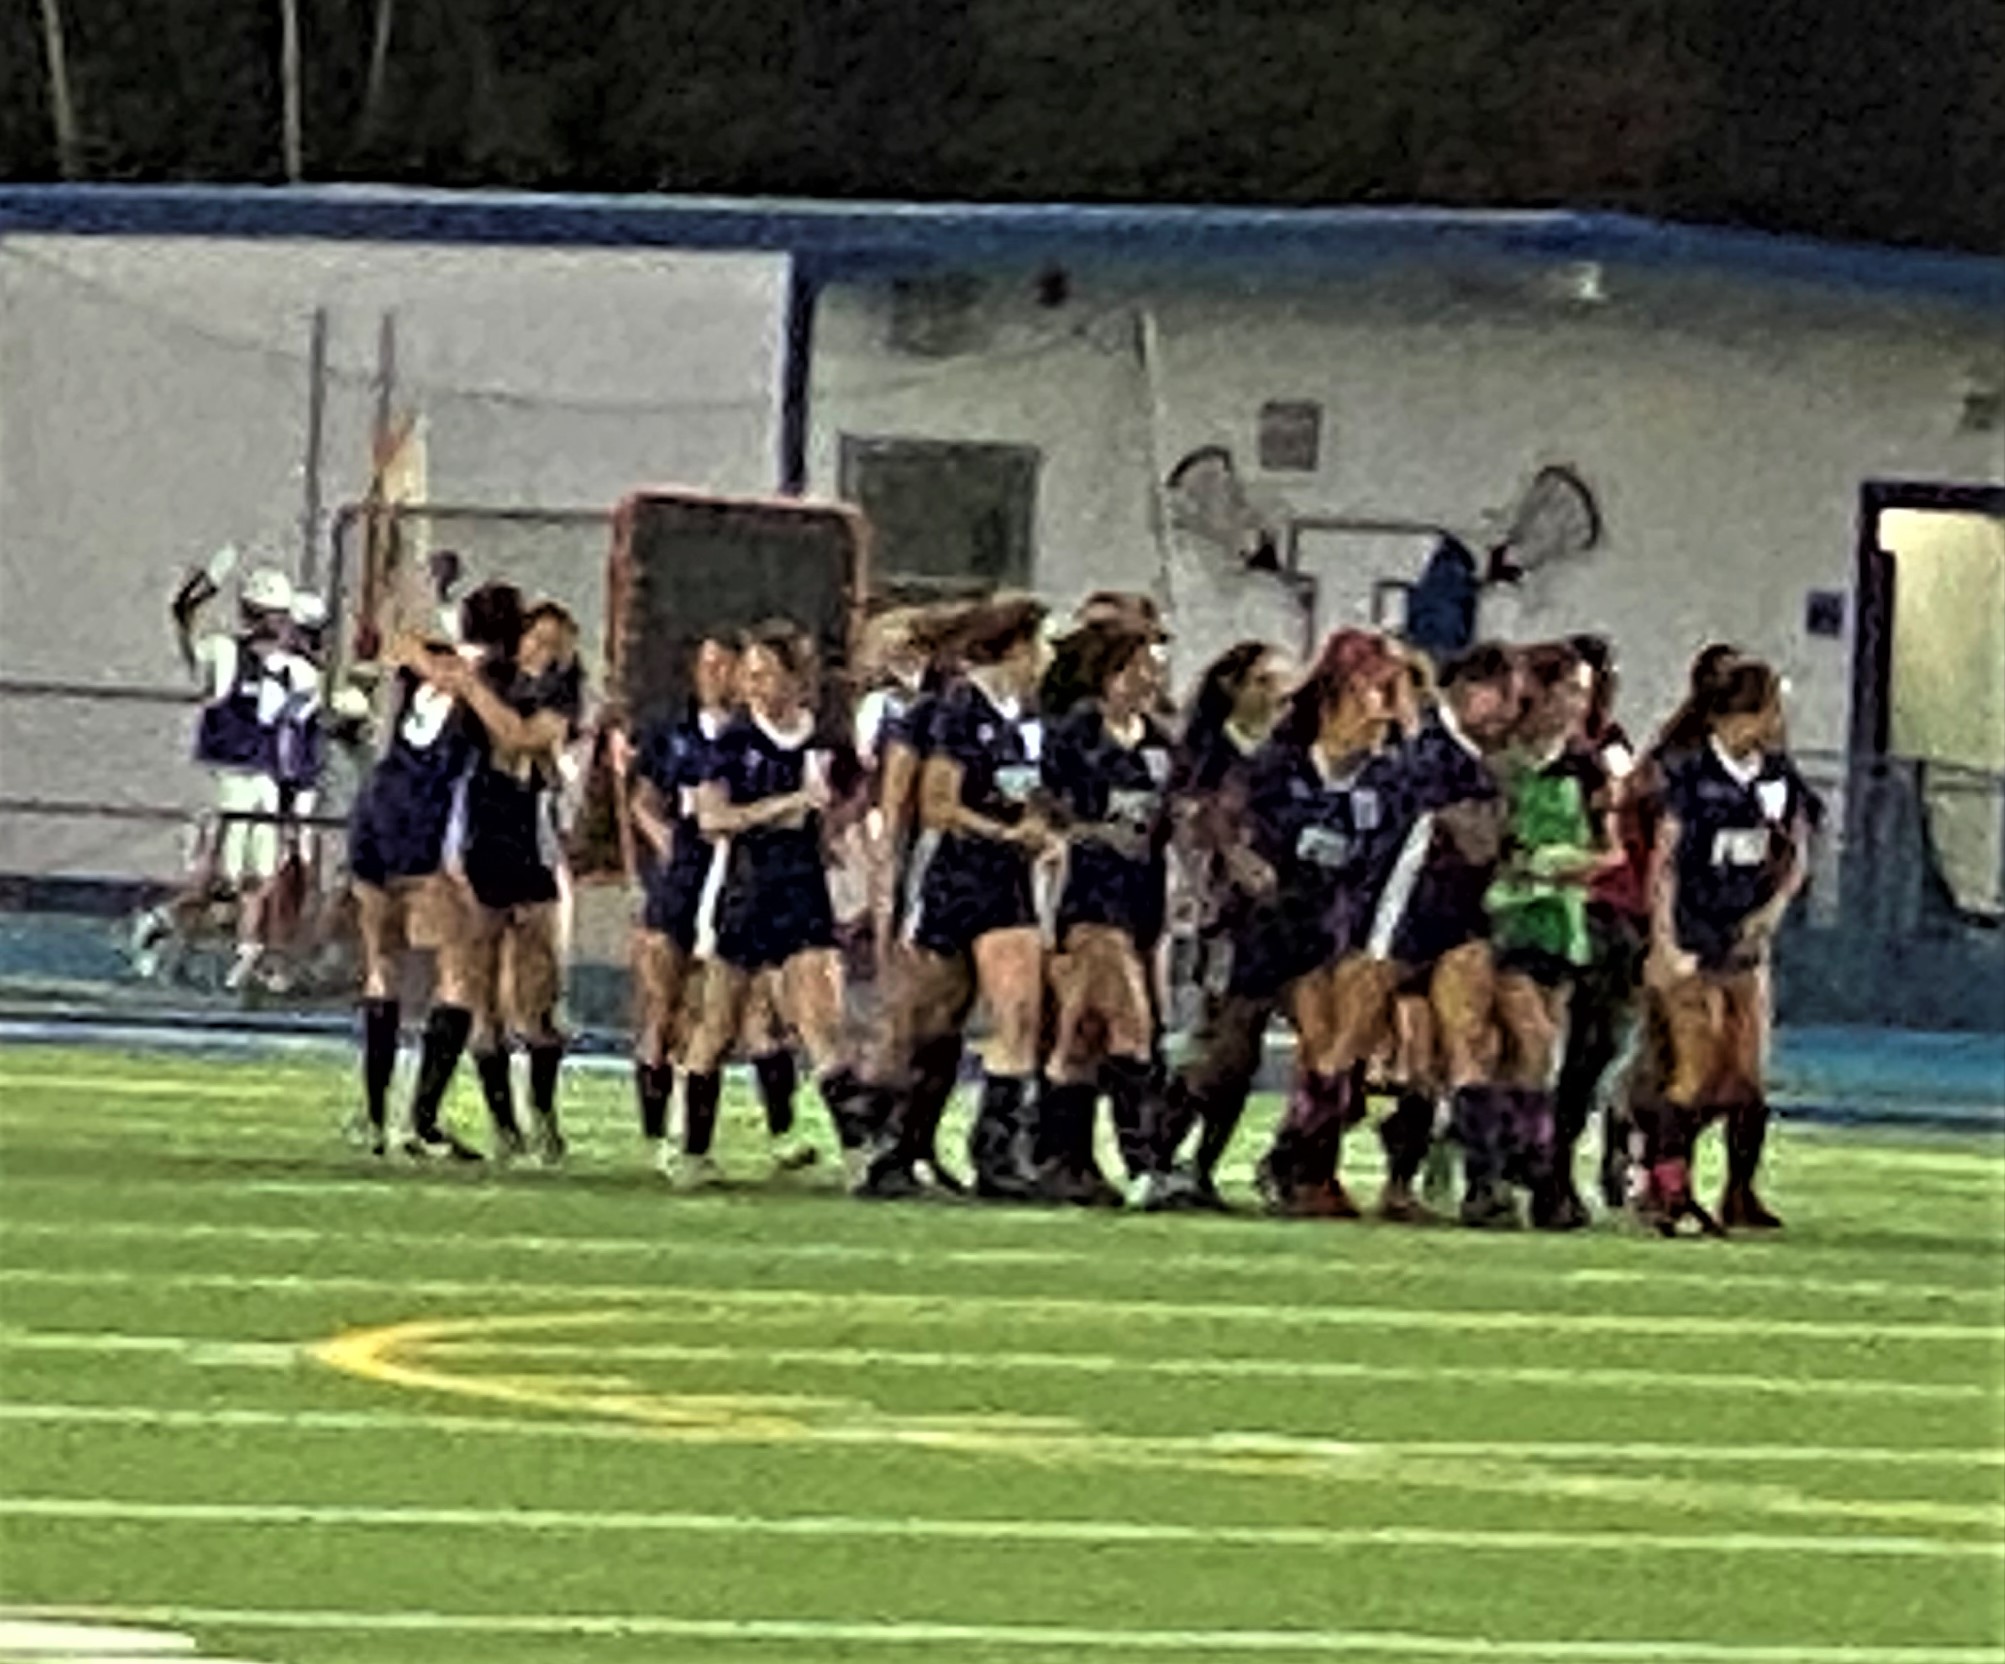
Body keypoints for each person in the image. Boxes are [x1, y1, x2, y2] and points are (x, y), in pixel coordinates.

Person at [676, 620, 875, 1180]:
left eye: (765, 674)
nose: (753, 685)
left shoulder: (826, 740)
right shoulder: (732, 742)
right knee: (718, 1026)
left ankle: (857, 1152)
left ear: (796, 679)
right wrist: (784, 806)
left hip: (803, 891)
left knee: (819, 1022)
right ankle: (692, 1151)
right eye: (750, 674)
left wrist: (837, 823)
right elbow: (713, 818)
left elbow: (858, 791)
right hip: (747, 890)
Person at [349, 580, 523, 1160]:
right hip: (424, 818)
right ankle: (421, 1121)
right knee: (459, 973)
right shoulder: (493, 681)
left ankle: (374, 1119)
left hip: (375, 807)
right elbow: (512, 736)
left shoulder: (426, 661)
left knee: (382, 963)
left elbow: (396, 636)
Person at [407, 598, 584, 1163]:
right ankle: (501, 1123)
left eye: (557, 645)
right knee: (477, 992)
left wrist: (471, 687)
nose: (544, 651)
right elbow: (418, 657)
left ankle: (544, 1113)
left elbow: (523, 737)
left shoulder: (557, 697)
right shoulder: (491, 678)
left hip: (534, 850)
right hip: (483, 844)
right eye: (537, 638)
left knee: (538, 997)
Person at [1643, 658, 1815, 1234]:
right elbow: (1665, 862)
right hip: (1693, 936)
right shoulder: (1692, 774)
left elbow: (1796, 850)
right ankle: (1669, 1191)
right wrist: (1664, 943)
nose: (1775, 722)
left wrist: (1773, 908)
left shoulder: (1777, 775)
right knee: (1693, 1070)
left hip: (1742, 943)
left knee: (1745, 1076)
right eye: (1768, 709)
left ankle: (1739, 1192)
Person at [1245, 629, 1411, 1218]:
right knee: (1325, 1039)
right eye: (1377, 691)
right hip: (1287, 933)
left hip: (1358, 934)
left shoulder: (1390, 778)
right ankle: (1304, 1167)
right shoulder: (1279, 766)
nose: (1385, 707)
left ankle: (1299, 1161)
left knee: (1346, 1050)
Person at [901, 595, 1058, 1201]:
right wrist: (1003, 833)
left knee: (1017, 1010)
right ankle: (904, 1146)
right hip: (959, 874)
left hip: (1008, 880)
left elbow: (1029, 792)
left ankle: (995, 1151)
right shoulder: (961, 706)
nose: (1047, 656)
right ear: (1017, 646)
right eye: (1041, 643)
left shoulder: (1028, 716)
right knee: (938, 1018)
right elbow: (937, 804)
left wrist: (1040, 827)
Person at [1363, 643, 1525, 1227]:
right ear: (1471, 688)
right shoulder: (1433, 752)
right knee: (1408, 1054)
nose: (1510, 712)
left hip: (1455, 918)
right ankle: (1307, 1163)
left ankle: (1480, 1184)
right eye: (1503, 696)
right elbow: (1478, 842)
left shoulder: (1466, 756)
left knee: (1466, 1041)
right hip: (1399, 919)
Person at [1145, 640, 1292, 1208]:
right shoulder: (1205, 756)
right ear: (1233, 688)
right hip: (1213, 921)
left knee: (1243, 1051)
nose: (1277, 697)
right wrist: (1228, 861)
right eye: (1264, 683)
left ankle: (1203, 1164)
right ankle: (1160, 1159)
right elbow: (1189, 829)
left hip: (1273, 920)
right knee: (1209, 1045)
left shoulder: (1285, 755)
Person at [1038, 617, 1178, 1204]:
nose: (1150, 678)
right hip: (1086, 894)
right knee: (1131, 1022)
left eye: (1153, 667)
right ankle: (1144, 1165)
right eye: (1138, 667)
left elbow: (1169, 817)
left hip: (1141, 894)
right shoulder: (1074, 734)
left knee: (1083, 1030)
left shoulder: (1159, 742)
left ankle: (1063, 1158)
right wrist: (1089, 831)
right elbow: (1043, 807)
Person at [1484, 642, 1620, 1229]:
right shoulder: (1498, 758)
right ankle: (1524, 1165)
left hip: (1559, 921)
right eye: (1568, 690)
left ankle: (1508, 1168)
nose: (1577, 704)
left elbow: (1612, 849)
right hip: (1499, 918)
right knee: (1531, 1042)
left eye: (1583, 693)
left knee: (1533, 1057)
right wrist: (1515, 861)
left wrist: (1571, 863)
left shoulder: (1586, 766)